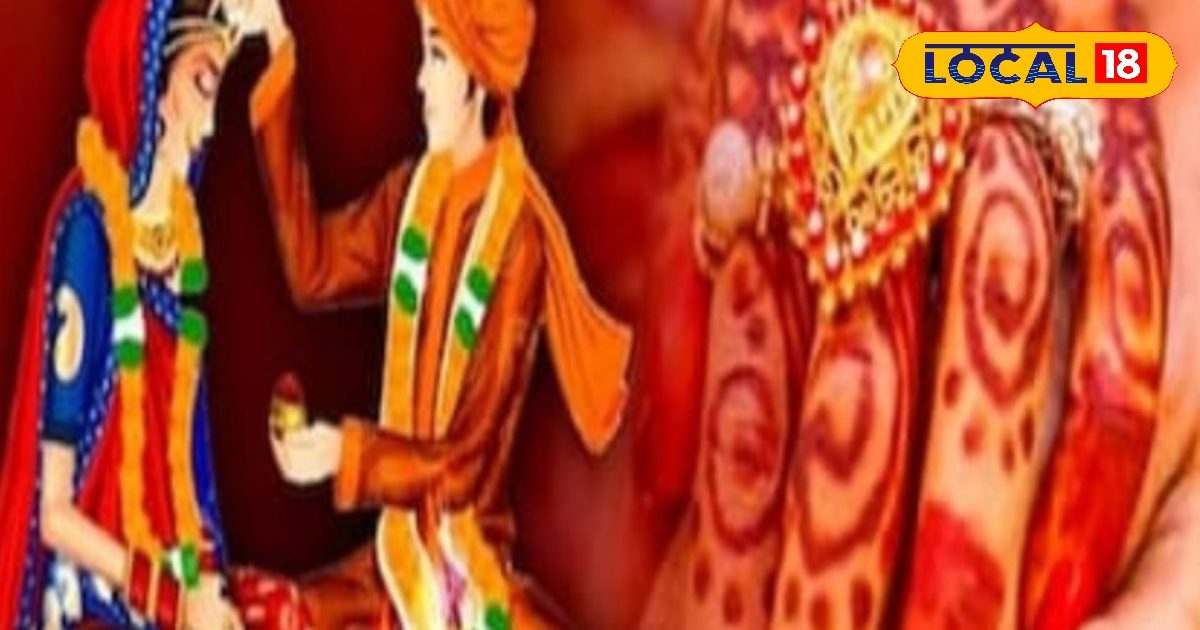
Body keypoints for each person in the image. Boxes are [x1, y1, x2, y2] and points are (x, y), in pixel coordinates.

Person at [233, 0, 635, 627]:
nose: (421, 81)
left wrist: (345, 455)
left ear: (480, 79)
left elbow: (465, 465)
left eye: (438, 58)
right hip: (393, 564)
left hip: (470, 575)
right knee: (257, 611)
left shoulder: (517, 239)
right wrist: (279, 48)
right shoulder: (412, 195)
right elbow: (314, 270)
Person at [0, 0, 247, 627]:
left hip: (170, 588)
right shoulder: (91, 234)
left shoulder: (182, 251)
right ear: (151, 89)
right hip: (91, 594)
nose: (211, 123)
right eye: (202, 86)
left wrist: (208, 591)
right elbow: (55, 514)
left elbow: (193, 481)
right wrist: (171, 602)